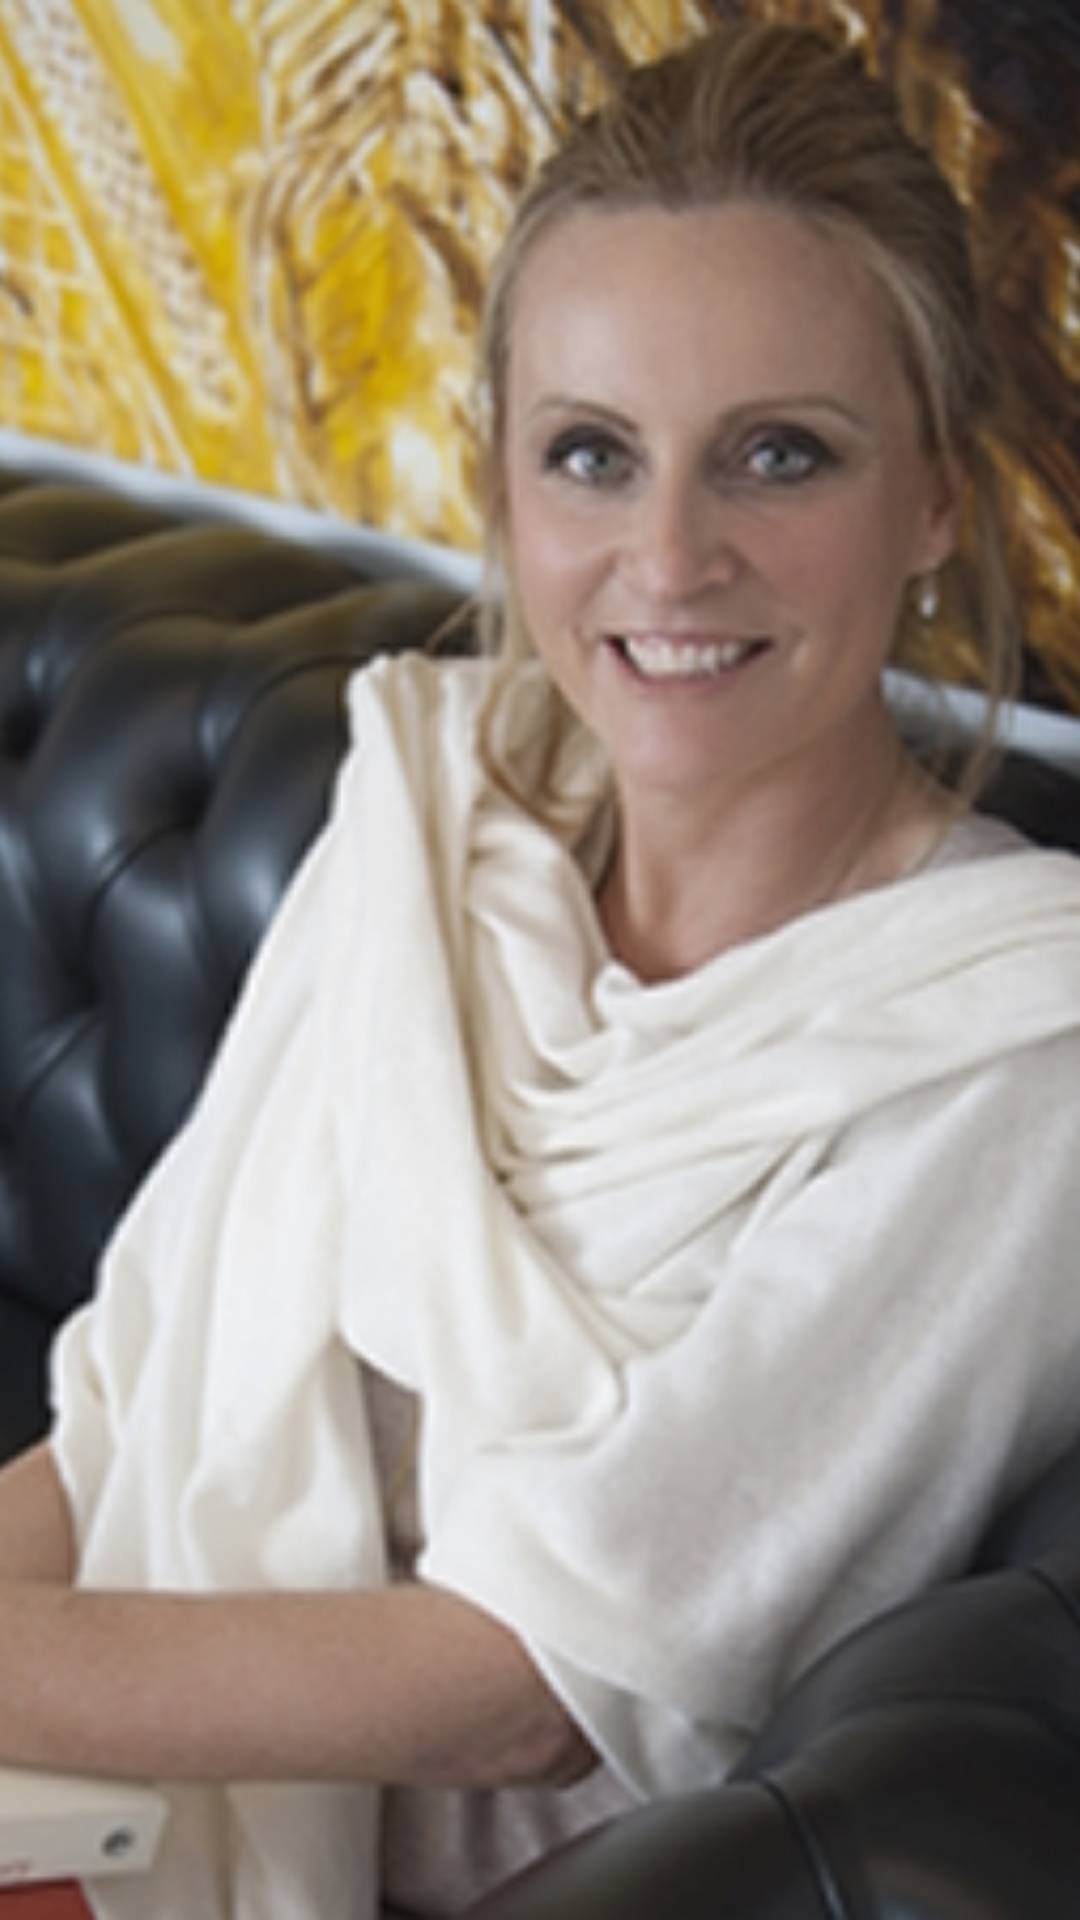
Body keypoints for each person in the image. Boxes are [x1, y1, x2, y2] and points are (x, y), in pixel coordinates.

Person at [3, 17, 1080, 1919]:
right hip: (101, 1827)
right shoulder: (428, 831)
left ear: (933, 498)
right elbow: (124, 1428)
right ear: (503, 486)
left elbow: (513, 1691)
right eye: (592, 455)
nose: (668, 558)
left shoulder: (1009, 1046)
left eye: (777, 457)